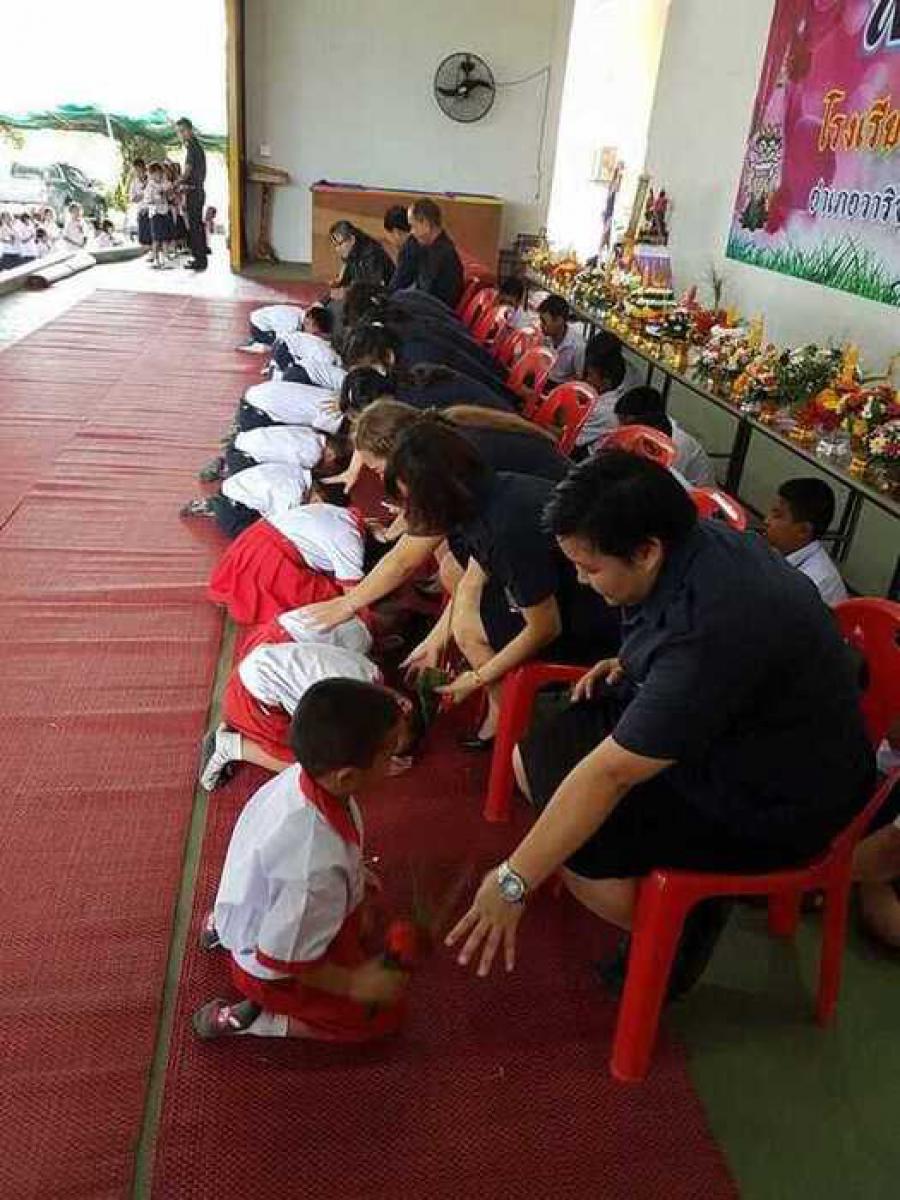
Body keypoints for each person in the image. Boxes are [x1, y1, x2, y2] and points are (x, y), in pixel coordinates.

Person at [445, 452, 874, 991]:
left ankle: (684, 922)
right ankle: (660, 901)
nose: (580, 580)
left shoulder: (712, 624)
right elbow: (664, 635)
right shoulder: (692, 541)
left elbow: (613, 772)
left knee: (582, 846)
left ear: (646, 551)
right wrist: (634, 658)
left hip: (777, 796)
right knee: (539, 754)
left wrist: (513, 880)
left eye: (590, 568)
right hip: (736, 731)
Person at [192, 678, 411, 1041]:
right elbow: (283, 958)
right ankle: (257, 1019)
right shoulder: (314, 868)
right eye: (388, 755)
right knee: (383, 1016)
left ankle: (224, 928)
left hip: (257, 912)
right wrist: (354, 983)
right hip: (269, 969)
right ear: (347, 776)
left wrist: (354, 874)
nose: (394, 761)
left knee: (362, 918)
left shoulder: (302, 776)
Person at [387, 418, 619, 748]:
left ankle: (511, 725)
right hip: (564, 594)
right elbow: (476, 573)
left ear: (438, 492)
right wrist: (437, 637)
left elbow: (545, 628)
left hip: (590, 621)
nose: (408, 514)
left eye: (412, 501)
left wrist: (477, 677)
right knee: (467, 618)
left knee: (473, 631)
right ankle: (504, 715)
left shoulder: (507, 526)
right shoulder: (487, 495)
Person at [302, 402, 571, 637]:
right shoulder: (443, 437)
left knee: (465, 603)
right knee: (453, 569)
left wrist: (347, 604)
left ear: (398, 454)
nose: (381, 479)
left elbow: (403, 561)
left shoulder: (445, 466)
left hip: (562, 534)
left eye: (379, 470)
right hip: (552, 509)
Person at [200, 609, 381, 790]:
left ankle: (244, 726)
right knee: (320, 771)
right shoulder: (348, 697)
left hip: (267, 649)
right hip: (249, 697)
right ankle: (229, 746)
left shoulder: (362, 659)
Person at [207, 500, 373, 625]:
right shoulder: (350, 544)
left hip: (253, 539)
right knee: (329, 605)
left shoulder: (340, 513)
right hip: (273, 557)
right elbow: (353, 596)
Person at [764, 478, 848, 606]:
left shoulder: (815, 583)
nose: (766, 521)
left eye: (777, 516)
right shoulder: (780, 550)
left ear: (803, 530)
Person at [614, 386, 716, 486]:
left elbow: (660, 483)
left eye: (626, 424)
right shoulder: (655, 429)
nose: (622, 429)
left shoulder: (678, 446)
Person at [408, 198, 465, 308]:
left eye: (413, 226)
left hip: (435, 312)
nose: (412, 232)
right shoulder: (434, 248)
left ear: (425, 223)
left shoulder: (442, 254)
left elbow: (425, 294)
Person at [328, 220, 394, 297]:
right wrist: (338, 283)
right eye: (335, 245)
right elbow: (346, 280)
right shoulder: (351, 254)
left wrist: (346, 292)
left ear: (352, 239)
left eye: (340, 244)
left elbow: (373, 288)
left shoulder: (372, 254)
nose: (337, 249)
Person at [175, 116, 208, 271]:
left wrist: (175, 184)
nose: (180, 135)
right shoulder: (195, 146)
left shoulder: (192, 148)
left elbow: (187, 172)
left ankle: (200, 259)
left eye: (183, 131)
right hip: (195, 191)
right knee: (196, 226)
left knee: (195, 227)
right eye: (178, 132)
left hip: (195, 192)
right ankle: (199, 258)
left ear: (190, 130)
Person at [538, 295, 586, 385]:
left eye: (544, 321)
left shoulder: (578, 346)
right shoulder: (544, 336)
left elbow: (579, 377)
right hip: (542, 377)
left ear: (559, 321)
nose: (541, 325)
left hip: (561, 386)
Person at [237, 303, 306, 352]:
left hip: (262, 319)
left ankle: (259, 341)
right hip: (259, 327)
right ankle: (258, 343)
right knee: (278, 347)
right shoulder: (290, 323)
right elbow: (281, 343)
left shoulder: (300, 313)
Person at [384, 205, 419, 293]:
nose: (389, 240)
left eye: (389, 235)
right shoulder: (418, 241)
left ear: (396, 232)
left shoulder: (408, 250)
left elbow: (396, 285)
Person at [144, 163, 171, 268]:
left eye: (160, 173)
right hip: (155, 214)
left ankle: (165, 259)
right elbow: (147, 200)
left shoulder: (164, 183)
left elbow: (169, 194)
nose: (158, 175)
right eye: (156, 173)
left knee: (165, 238)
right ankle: (156, 259)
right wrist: (157, 197)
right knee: (156, 238)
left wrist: (166, 193)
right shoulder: (150, 186)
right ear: (151, 174)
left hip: (164, 212)